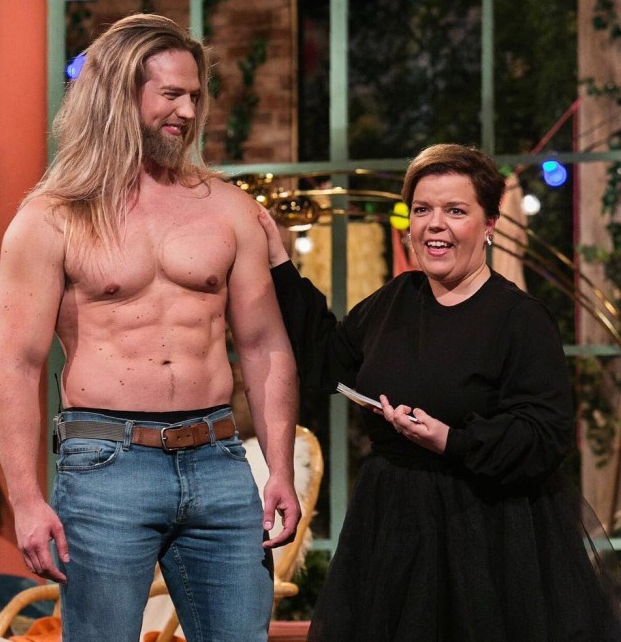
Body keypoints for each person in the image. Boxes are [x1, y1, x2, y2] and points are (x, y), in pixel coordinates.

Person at [0, 13, 300, 642]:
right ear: (119, 95)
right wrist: (25, 499)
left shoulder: (228, 209)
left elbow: (265, 345)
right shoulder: (52, 218)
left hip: (217, 459)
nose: (188, 110)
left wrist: (280, 469)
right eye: (171, 94)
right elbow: (17, 365)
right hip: (105, 464)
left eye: (195, 96)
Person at [258, 143, 621, 642]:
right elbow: (327, 361)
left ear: (489, 224)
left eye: (455, 211)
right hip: (393, 527)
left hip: (484, 536)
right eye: (422, 209)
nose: (434, 225)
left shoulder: (520, 319)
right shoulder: (395, 300)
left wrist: (452, 441)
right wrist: (278, 260)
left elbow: (545, 435)